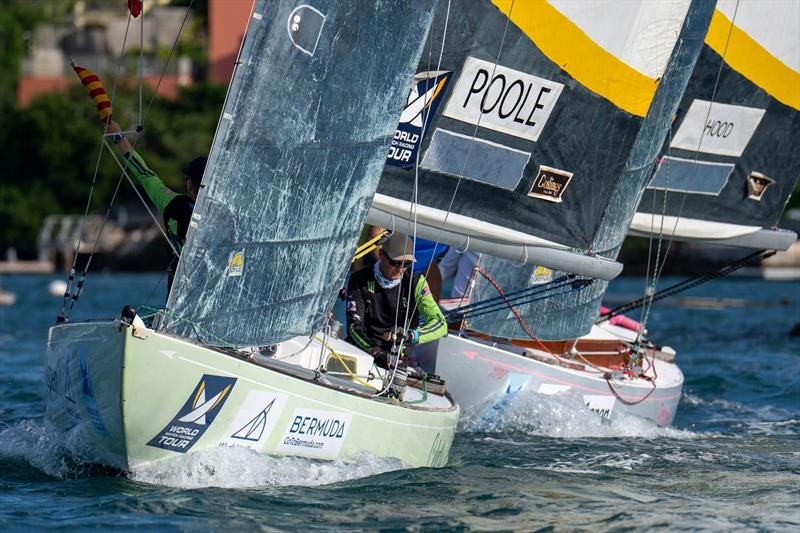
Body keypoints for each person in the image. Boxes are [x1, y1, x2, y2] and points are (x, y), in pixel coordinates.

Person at [106, 119, 205, 287]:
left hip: (178, 301)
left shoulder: (171, 204)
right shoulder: (224, 212)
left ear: (189, 183)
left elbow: (144, 174)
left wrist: (118, 137)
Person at [345, 232, 447, 370]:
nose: (400, 269)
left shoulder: (417, 283)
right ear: (381, 254)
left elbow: (440, 324)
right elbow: (354, 327)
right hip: (361, 352)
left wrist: (410, 336)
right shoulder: (359, 279)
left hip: (397, 359)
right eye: (395, 262)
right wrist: (375, 352)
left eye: (407, 264)